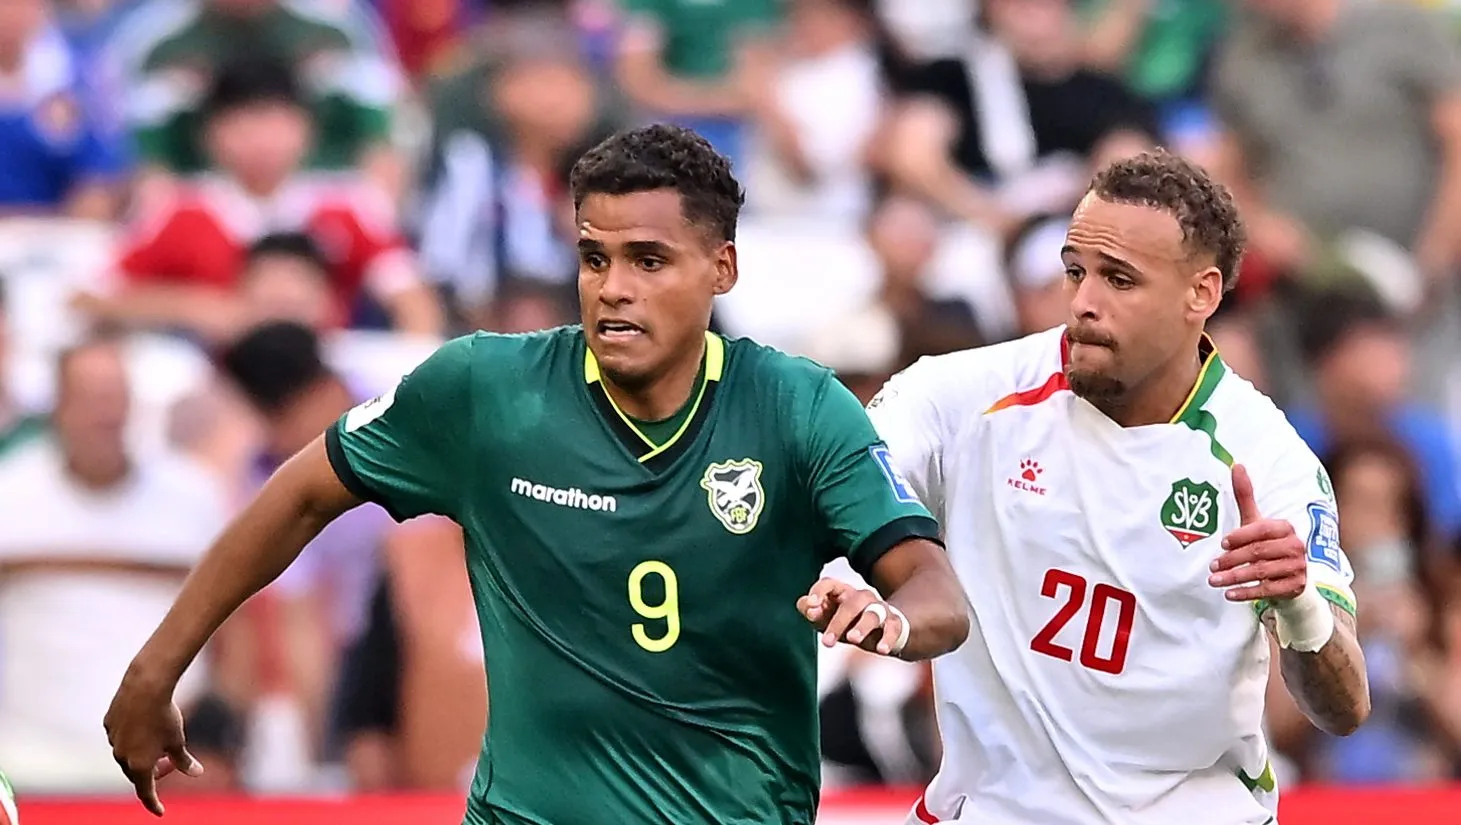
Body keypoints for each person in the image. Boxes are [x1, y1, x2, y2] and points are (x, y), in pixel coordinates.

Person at [104, 123, 970, 822]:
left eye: (648, 260)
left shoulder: (797, 408)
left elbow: (935, 591)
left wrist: (891, 619)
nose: (612, 288)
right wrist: (155, 669)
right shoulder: (487, 389)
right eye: (594, 258)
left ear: (722, 268)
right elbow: (299, 494)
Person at [866, 150, 1370, 825]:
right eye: (1075, 271)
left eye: (1119, 280)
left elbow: (1344, 708)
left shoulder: (1268, 462)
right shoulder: (958, 398)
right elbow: (848, 474)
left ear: (1201, 294)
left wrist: (1299, 604)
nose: (1082, 303)